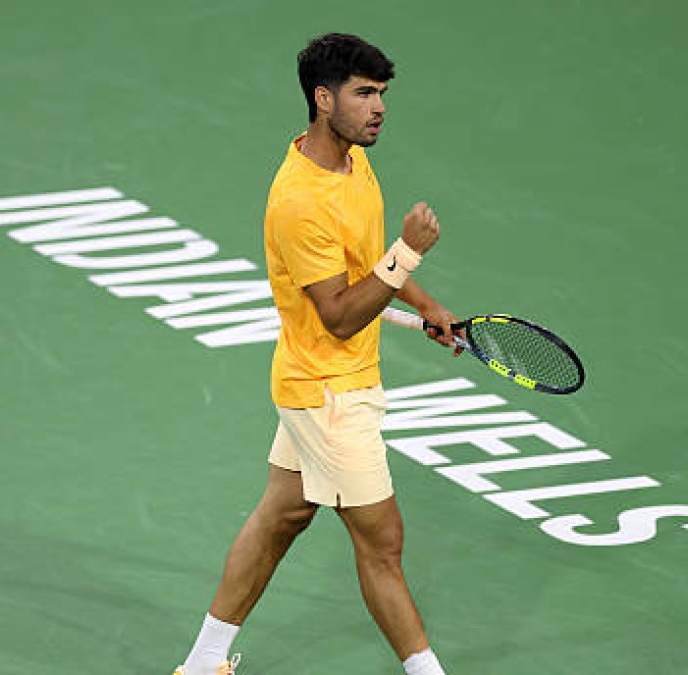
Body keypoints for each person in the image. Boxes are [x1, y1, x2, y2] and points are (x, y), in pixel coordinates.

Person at [173, 33, 459, 675]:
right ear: (323, 99)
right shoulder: (299, 202)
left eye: (381, 93)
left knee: (283, 515)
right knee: (382, 548)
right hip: (330, 392)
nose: (378, 107)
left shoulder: (352, 162)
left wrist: (425, 302)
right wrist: (408, 253)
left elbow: (365, 261)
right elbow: (336, 316)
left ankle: (201, 665)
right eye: (364, 94)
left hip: (320, 384)